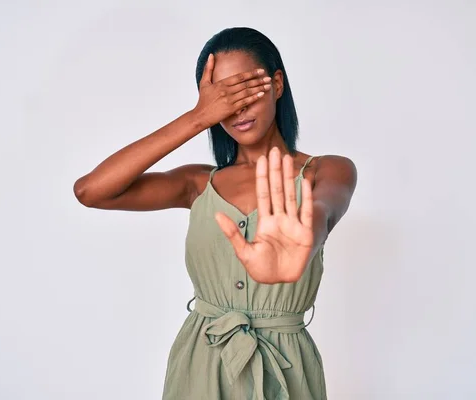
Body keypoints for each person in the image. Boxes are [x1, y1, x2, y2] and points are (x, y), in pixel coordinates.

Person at [74, 27, 357, 400]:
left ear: (276, 84)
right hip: (201, 362)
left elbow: (324, 209)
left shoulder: (327, 170)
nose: (235, 108)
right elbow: (91, 191)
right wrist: (197, 118)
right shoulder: (197, 183)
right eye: (222, 97)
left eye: (244, 90)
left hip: (286, 368)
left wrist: (306, 240)